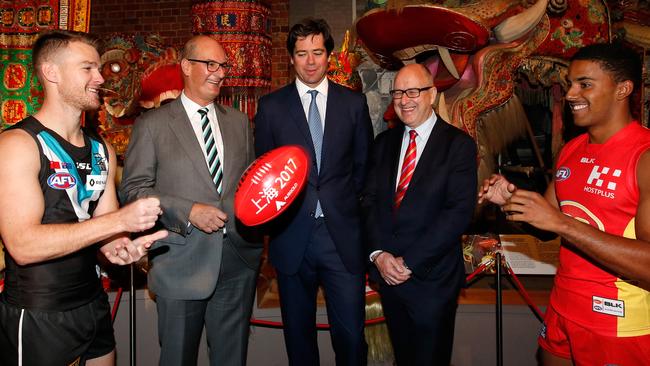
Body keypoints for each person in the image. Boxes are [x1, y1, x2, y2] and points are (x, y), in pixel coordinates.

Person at [0, 30, 167, 366]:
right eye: (87, 68)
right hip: (39, 311)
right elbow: (23, 245)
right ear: (52, 73)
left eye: (99, 68)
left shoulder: (100, 148)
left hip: (93, 303)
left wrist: (122, 248)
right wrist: (120, 220)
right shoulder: (17, 145)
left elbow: (104, 230)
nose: (101, 77)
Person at [478, 43, 650, 365]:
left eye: (585, 84)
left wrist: (560, 223)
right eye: (570, 83)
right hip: (563, 307)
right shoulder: (572, 149)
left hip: (618, 324)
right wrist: (510, 201)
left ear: (623, 89)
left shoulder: (644, 157)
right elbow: (546, 226)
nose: (570, 94)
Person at [119, 35, 262, 366]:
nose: (219, 73)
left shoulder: (239, 122)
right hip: (180, 263)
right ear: (185, 66)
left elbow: (248, 186)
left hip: (236, 262)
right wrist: (188, 211)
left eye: (223, 65)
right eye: (210, 64)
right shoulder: (152, 125)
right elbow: (134, 189)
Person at [254, 18, 373, 366]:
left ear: (328, 55)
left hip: (341, 240)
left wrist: (350, 215)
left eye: (317, 53)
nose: (310, 61)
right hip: (292, 239)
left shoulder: (353, 105)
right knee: (299, 343)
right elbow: (263, 171)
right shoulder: (272, 107)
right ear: (291, 58)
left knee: (351, 340)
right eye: (301, 53)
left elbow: (363, 171)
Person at [361, 63, 477, 365]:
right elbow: (369, 203)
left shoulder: (458, 145)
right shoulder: (383, 143)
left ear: (432, 94)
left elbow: (458, 213)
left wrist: (409, 262)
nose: (404, 100)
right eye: (398, 92)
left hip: (432, 281)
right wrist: (377, 255)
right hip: (388, 278)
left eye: (413, 91)